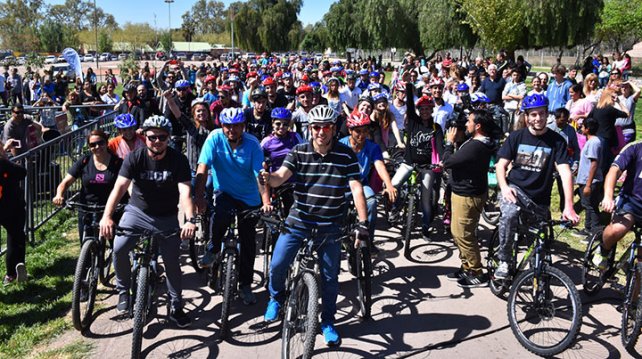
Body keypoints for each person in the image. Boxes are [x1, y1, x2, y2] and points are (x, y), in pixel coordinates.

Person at [261, 105, 369, 346]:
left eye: (326, 127)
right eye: (317, 127)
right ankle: (276, 299)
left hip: (330, 225)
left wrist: (363, 223)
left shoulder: (346, 154)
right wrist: (269, 179)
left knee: (330, 279)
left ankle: (328, 321)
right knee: (278, 263)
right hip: (298, 221)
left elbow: (356, 188)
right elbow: (281, 177)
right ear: (310, 128)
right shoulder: (298, 151)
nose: (321, 132)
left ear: (333, 129)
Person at [99, 115, 196, 327]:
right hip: (138, 212)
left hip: (167, 216)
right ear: (145, 137)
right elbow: (120, 188)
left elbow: (186, 193)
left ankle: (176, 305)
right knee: (119, 247)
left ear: (168, 138)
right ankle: (124, 292)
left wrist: (190, 220)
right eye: (152, 137)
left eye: (162, 137)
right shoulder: (135, 157)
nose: (157, 141)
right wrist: (107, 216)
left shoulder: (178, 160)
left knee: (172, 263)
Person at [494, 94, 580, 279]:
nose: (538, 118)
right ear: (526, 117)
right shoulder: (516, 137)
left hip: (540, 199)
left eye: (541, 113)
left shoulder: (557, 141)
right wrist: (504, 187)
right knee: (509, 216)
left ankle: (536, 277)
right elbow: (500, 165)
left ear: (547, 114)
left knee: (539, 245)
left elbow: (565, 173)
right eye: (533, 114)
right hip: (516, 190)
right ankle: (504, 261)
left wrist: (569, 206)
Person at [194, 108, 270, 305]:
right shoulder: (214, 139)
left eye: (236, 126)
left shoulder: (252, 144)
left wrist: (266, 202)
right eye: (228, 125)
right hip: (225, 191)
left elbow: (260, 177)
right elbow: (202, 168)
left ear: (243, 126)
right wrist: (199, 197)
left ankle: (245, 285)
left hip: (249, 197)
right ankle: (212, 249)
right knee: (220, 216)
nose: (232, 130)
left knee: (248, 242)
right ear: (222, 125)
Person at [442, 109, 497, 287]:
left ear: (478, 126)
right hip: (463, 193)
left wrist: (449, 144)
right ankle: (466, 266)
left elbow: (448, 162)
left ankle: (476, 272)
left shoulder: (477, 146)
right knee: (457, 232)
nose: (466, 124)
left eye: (469, 121)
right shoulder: (474, 142)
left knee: (463, 234)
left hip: (468, 195)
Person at [390, 83, 444, 239]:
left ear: (432, 110)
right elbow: (410, 106)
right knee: (394, 185)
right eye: (422, 109)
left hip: (427, 166)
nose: (425, 111)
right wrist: (408, 86)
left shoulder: (436, 127)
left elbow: (440, 146)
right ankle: (395, 208)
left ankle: (426, 227)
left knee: (426, 199)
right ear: (419, 111)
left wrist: (441, 161)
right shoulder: (413, 121)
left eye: (428, 108)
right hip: (409, 162)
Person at [53, 130, 123, 242]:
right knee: (86, 246)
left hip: (112, 209)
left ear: (106, 143)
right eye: (92, 145)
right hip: (87, 208)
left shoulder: (118, 163)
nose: (97, 147)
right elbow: (65, 182)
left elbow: (127, 185)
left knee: (117, 247)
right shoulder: (85, 161)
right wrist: (59, 195)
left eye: (101, 143)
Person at [340, 111, 397, 243]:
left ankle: (368, 240)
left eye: (364, 131)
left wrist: (389, 185)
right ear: (350, 130)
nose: (361, 135)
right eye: (357, 131)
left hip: (361, 183)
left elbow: (380, 166)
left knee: (371, 203)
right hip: (342, 184)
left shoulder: (373, 147)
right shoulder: (341, 145)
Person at [592, 141, 642, 270]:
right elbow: (614, 171)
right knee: (617, 229)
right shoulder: (636, 147)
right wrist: (608, 197)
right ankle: (604, 249)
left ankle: (633, 287)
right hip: (631, 201)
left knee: (640, 269)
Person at [260, 108, 303, 216]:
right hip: (274, 179)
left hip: (293, 180)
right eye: (278, 124)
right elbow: (259, 161)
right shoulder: (266, 141)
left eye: (285, 124)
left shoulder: (295, 137)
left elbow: (304, 154)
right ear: (272, 123)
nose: (282, 127)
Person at [0, 141, 28, 285]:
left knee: (14, 237)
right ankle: (13, 272)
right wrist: (9, 155)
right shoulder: (4, 164)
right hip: (12, 207)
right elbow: (22, 172)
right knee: (15, 238)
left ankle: (12, 274)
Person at [575, 118, 602, 237]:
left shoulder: (594, 142)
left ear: (588, 129)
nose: (581, 128)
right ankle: (587, 229)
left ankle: (594, 232)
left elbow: (594, 163)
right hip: (585, 179)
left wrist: (588, 184)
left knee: (591, 206)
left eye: (582, 126)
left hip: (590, 181)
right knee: (586, 205)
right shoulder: (590, 141)